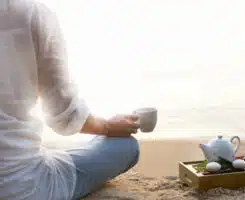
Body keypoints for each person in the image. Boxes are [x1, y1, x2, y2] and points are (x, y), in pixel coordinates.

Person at [0, 0, 140, 199]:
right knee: (127, 148)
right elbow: (64, 118)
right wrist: (108, 127)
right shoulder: (31, 13)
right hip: (20, 188)